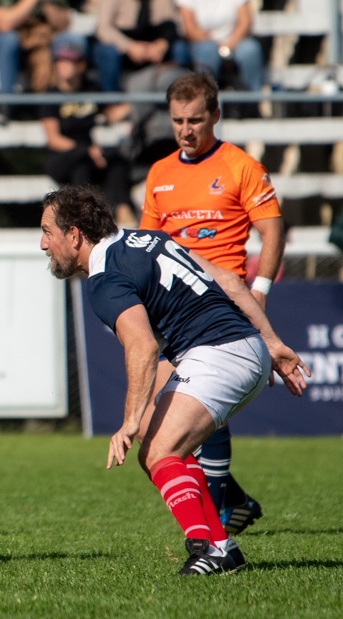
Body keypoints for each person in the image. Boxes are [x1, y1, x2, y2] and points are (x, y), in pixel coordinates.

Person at [40, 185, 307, 575]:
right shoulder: (148, 238)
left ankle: (209, 548)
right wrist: (271, 342)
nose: (43, 244)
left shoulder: (105, 278)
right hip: (241, 346)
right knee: (164, 446)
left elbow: (143, 346)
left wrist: (128, 422)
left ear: (75, 234)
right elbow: (229, 281)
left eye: (47, 232)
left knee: (157, 451)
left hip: (219, 353)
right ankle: (221, 547)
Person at [139, 71, 284, 534]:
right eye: (178, 120)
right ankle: (236, 501)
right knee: (158, 421)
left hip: (222, 302)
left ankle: (218, 516)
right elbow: (148, 243)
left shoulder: (241, 166)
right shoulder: (160, 173)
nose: (186, 129)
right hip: (171, 308)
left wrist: (260, 289)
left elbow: (272, 231)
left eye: (195, 120)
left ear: (215, 115)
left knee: (202, 406)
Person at [40, 42, 136, 226]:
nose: (63, 65)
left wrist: (135, 102)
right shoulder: (51, 96)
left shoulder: (91, 89)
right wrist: (86, 150)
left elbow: (110, 115)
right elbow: (53, 139)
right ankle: (83, 218)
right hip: (62, 156)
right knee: (81, 163)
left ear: (81, 65)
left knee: (116, 160)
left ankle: (122, 208)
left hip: (90, 152)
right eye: (60, 60)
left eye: (69, 61)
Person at [91, 0, 189, 93]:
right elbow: (103, 28)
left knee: (179, 48)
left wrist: (161, 44)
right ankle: (110, 100)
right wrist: (129, 47)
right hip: (124, 46)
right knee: (106, 51)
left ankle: (180, 94)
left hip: (153, 46)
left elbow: (173, 24)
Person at [175, 0, 264, 95]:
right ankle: (208, 101)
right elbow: (190, 29)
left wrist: (228, 46)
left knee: (251, 50)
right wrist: (216, 46)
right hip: (203, 43)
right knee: (208, 51)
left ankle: (252, 101)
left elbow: (245, 21)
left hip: (234, 41)